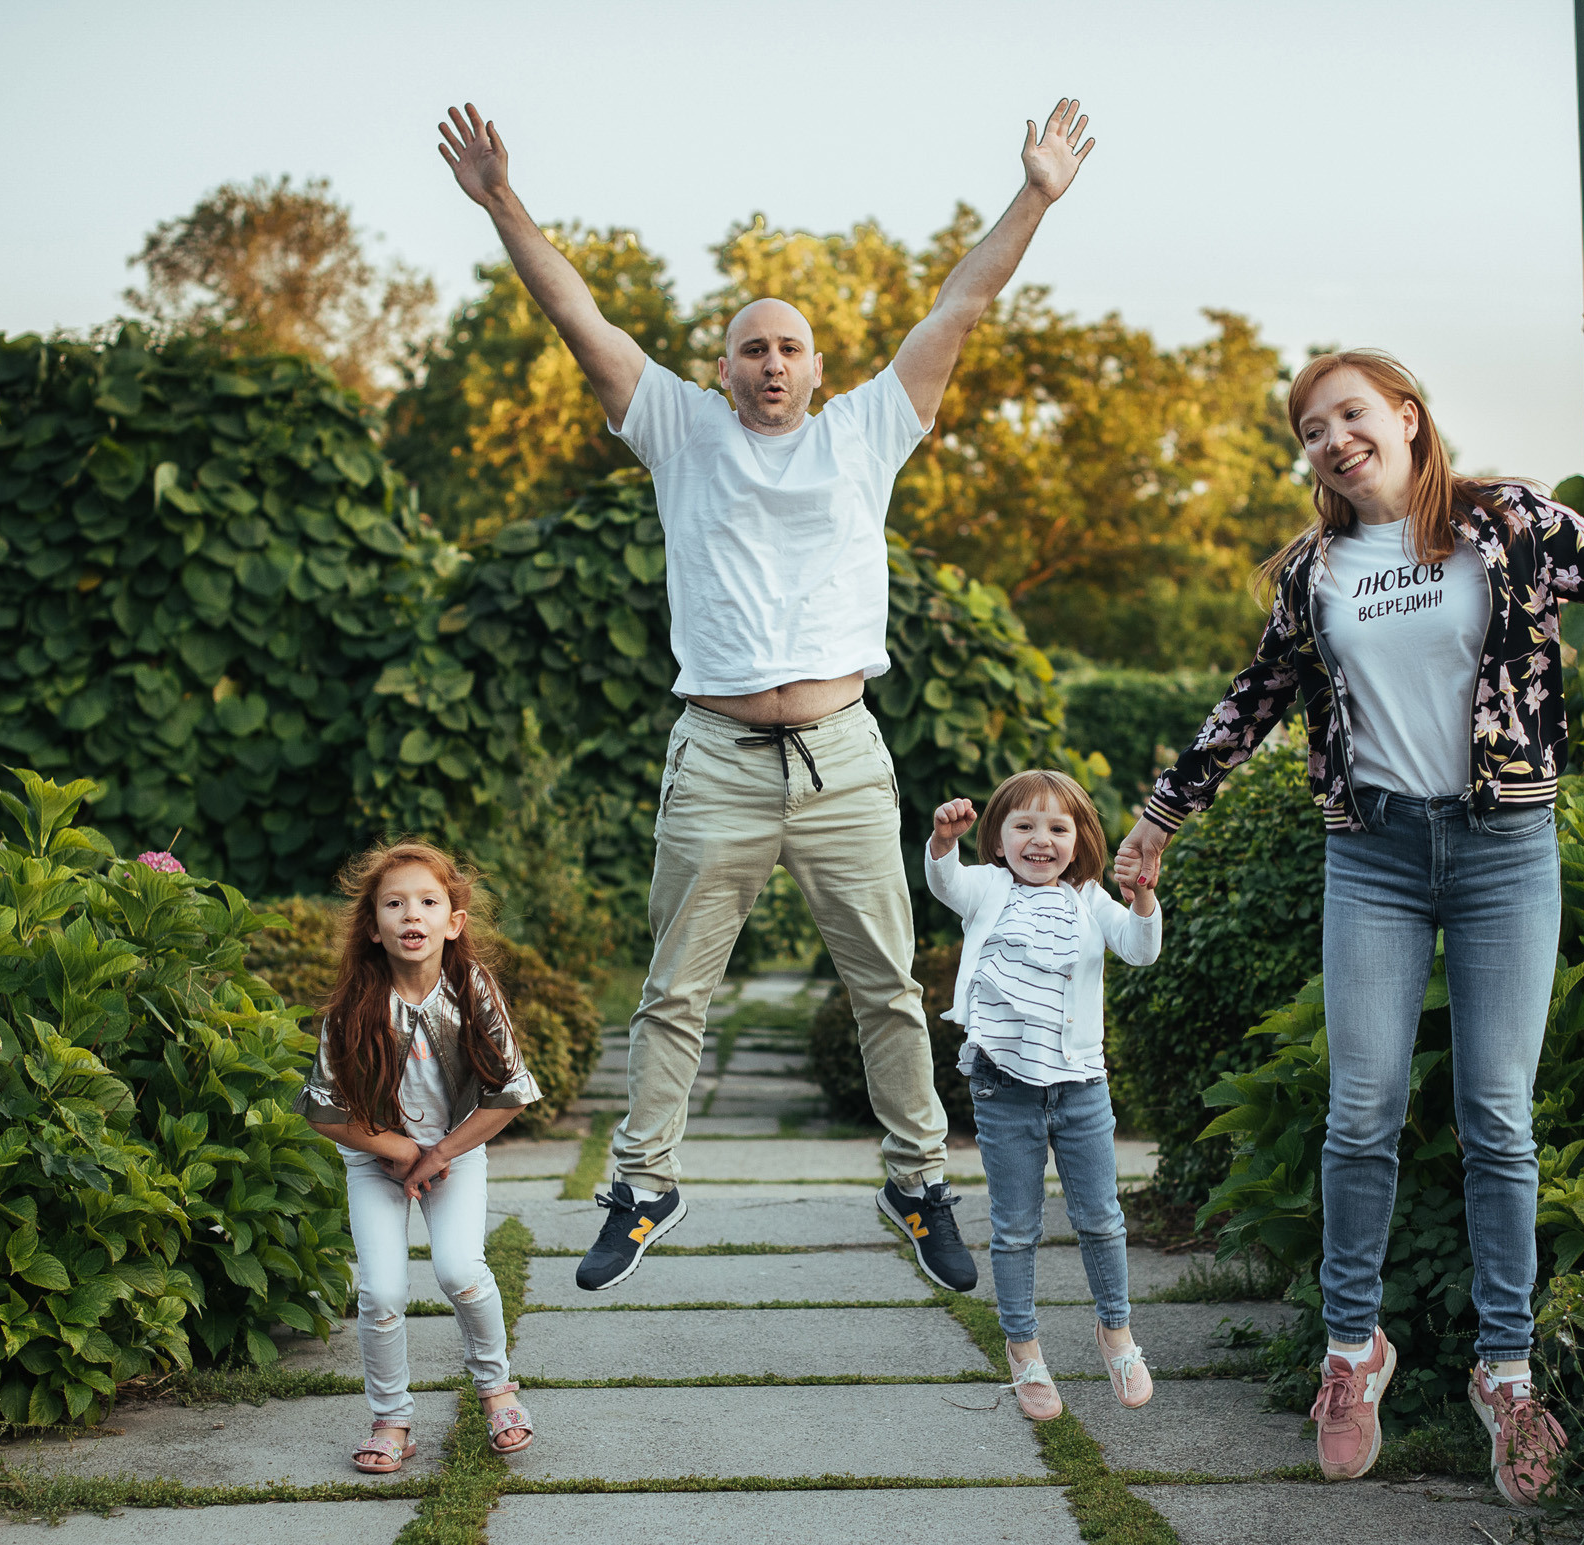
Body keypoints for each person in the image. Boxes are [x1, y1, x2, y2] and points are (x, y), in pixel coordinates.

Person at [1112, 350, 1584, 1506]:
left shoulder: (1507, 524)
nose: (1331, 438)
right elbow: (1253, 700)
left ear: (1407, 419)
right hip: (1371, 853)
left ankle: (1508, 1375)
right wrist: (1155, 822)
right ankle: (1350, 1352)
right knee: (1361, 1108)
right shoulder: (1313, 572)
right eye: (1310, 428)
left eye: (1350, 414)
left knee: (1496, 1118)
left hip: (1501, 852)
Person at [436, 97, 1100, 1296]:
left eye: (790, 346)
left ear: (819, 367)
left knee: (888, 988)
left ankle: (915, 1183)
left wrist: (1037, 196)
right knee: (674, 989)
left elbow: (961, 302)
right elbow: (573, 309)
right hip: (720, 756)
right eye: (752, 346)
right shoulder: (678, 431)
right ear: (723, 366)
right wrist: (499, 201)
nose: (772, 362)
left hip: (844, 756)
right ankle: (644, 1186)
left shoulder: (868, 433)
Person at [925, 772, 1162, 1421]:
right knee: (1016, 1225)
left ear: (1079, 839)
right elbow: (945, 881)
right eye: (1024, 825)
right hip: (1005, 1087)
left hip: (1082, 1085)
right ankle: (1024, 1347)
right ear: (998, 840)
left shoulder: (1088, 898)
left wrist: (1142, 898)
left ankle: (1117, 1333)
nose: (1041, 839)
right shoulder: (988, 890)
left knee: (1101, 1217)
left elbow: (1141, 950)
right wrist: (943, 841)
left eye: (1058, 827)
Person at [300, 841, 541, 1468]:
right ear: (374, 928)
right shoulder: (353, 1004)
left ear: (453, 923)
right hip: (375, 1158)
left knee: (461, 1269)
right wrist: (396, 1147)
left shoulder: (472, 990)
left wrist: (437, 1155)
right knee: (380, 1291)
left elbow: (511, 1093)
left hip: (457, 1152)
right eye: (395, 904)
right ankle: (391, 1418)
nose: (413, 914)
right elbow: (324, 1110)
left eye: (428, 902)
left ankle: (496, 1388)